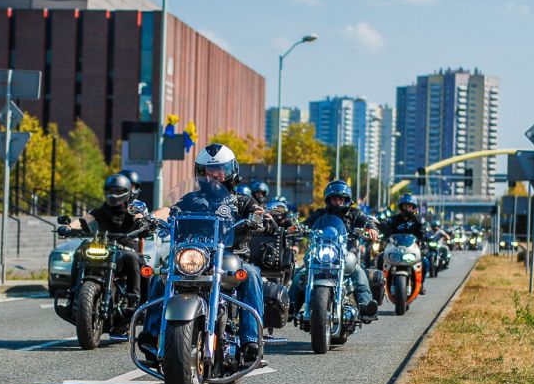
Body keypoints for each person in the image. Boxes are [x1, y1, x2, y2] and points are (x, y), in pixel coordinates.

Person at [139, 143, 267, 364]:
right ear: (199, 173)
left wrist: (261, 218)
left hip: (230, 257)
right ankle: (151, 336)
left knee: (252, 274)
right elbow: (170, 209)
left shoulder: (241, 201)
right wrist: (151, 217)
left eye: (219, 170)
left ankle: (251, 340)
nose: (214, 176)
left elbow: (257, 212)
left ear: (231, 171)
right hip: (194, 257)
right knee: (162, 274)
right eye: (207, 171)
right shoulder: (192, 199)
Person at [289, 180, 379, 317]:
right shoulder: (320, 214)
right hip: (321, 252)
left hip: (346, 254)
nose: (338, 202)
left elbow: (367, 221)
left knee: (359, 273)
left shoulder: (355, 213)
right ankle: (290, 307)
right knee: (300, 275)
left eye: (341, 198)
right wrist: (295, 228)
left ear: (347, 199)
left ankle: (365, 306)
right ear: (328, 199)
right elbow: (305, 224)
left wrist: (371, 228)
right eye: (334, 198)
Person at [67, 173, 145, 305]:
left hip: (126, 246)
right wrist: (68, 228)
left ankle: (134, 300)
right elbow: (83, 220)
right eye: (110, 191)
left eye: (117, 191)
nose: (113, 194)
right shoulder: (100, 210)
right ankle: (73, 294)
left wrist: (142, 224)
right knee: (80, 252)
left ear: (126, 192)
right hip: (104, 245)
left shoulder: (132, 209)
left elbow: (139, 218)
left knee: (132, 258)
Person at [380, 192, 429, 294]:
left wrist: (423, 243)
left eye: (410, 206)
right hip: (395, 250)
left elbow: (423, 233)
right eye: (405, 206)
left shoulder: (419, 220)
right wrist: (382, 228)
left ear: (413, 207)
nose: (407, 208)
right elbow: (385, 225)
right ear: (401, 207)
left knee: (425, 262)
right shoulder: (394, 219)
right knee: (380, 258)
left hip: (412, 250)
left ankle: (420, 284)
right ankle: (380, 285)